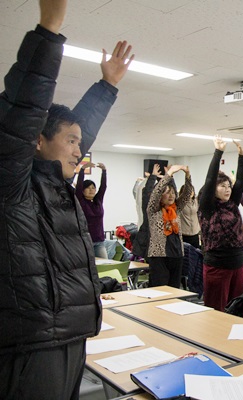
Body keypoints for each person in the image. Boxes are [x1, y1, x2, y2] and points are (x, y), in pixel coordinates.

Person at [0, 1, 133, 397]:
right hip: (33, 344)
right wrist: (49, 30)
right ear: (37, 142)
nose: (80, 151)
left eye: (80, 142)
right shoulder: (14, 186)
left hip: (70, 336)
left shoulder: (58, 184)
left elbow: (79, 132)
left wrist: (107, 86)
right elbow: (23, 110)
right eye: (71, 142)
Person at [198, 136, 243, 311]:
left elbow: (240, 183)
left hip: (237, 263)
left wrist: (242, 157)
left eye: (228, 186)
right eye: (222, 186)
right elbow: (210, 180)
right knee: (216, 310)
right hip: (217, 265)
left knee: (236, 307)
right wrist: (218, 153)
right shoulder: (207, 207)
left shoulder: (232, 204)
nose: (227, 189)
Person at [146, 165, 193, 288]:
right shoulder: (154, 211)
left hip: (176, 254)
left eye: (173, 193)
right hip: (159, 256)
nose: (171, 196)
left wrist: (187, 175)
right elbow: (156, 193)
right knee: (159, 289)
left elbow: (187, 194)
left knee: (174, 289)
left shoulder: (176, 210)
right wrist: (169, 174)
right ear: (161, 197)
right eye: (167, 193)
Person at [75, 162, 109, 258]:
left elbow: (103, 187)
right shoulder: (81, 201)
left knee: (105, 266)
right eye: (88, 188)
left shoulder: (98, 201)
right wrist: (82, 170)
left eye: (93, 188)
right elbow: (79, 186)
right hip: (85, 241)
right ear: (83, 190)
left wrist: (104, 171)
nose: (91, 190)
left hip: (99, 242)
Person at [178, 175, 201, 249]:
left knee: (196, 257)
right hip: (184, 235)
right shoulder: (180, 204)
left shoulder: (196, 202)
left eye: (192, 190)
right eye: (188, 190)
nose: (191, 192)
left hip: (195, 235)